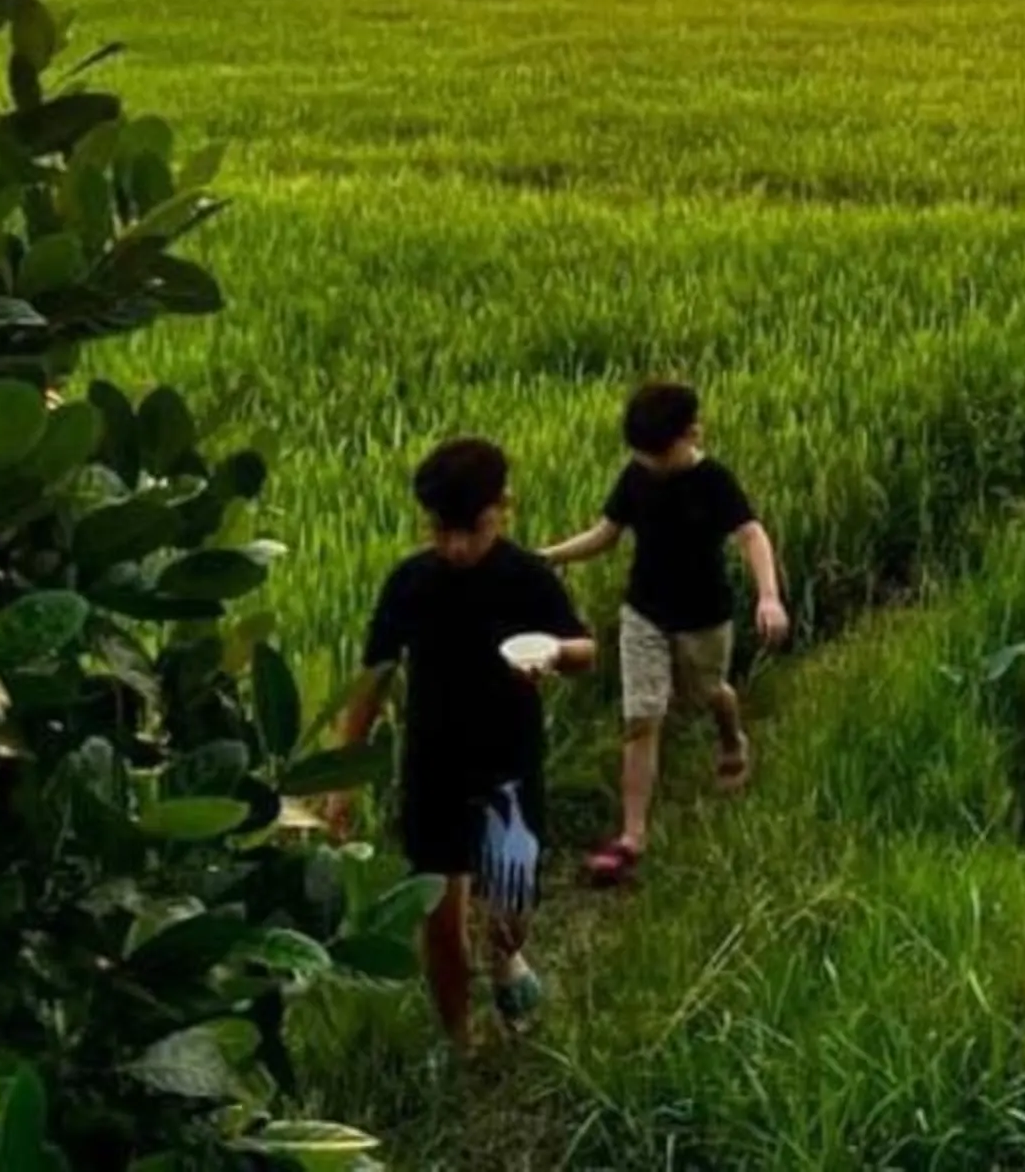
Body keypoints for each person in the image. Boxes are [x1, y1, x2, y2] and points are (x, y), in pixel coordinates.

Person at [326, 436, 595, 1051]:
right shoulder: (409, 584)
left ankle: (506, 960)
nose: (454, 547)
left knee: (511, 913)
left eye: (469, 530)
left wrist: (554, 653)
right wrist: (341, 778)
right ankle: (460, 1041)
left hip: (508, 766)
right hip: (432, 767)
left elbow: (585, 650)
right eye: (440, 531)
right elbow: (373, 681)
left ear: (504, 507)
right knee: (441, 922)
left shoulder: (528, 578)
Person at [543, 381, 789, 885]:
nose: (651, 463)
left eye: (661, 453)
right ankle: (633, 835)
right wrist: (549, 557)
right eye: (643, 455)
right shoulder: (636, 476)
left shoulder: (715, 481)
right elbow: (606, 534)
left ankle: (731, 738)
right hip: (644, 613)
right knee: (642, 715)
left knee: (707, 692)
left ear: (692, 433)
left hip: (704, 615)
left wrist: (768, 596)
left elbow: (751, 534)